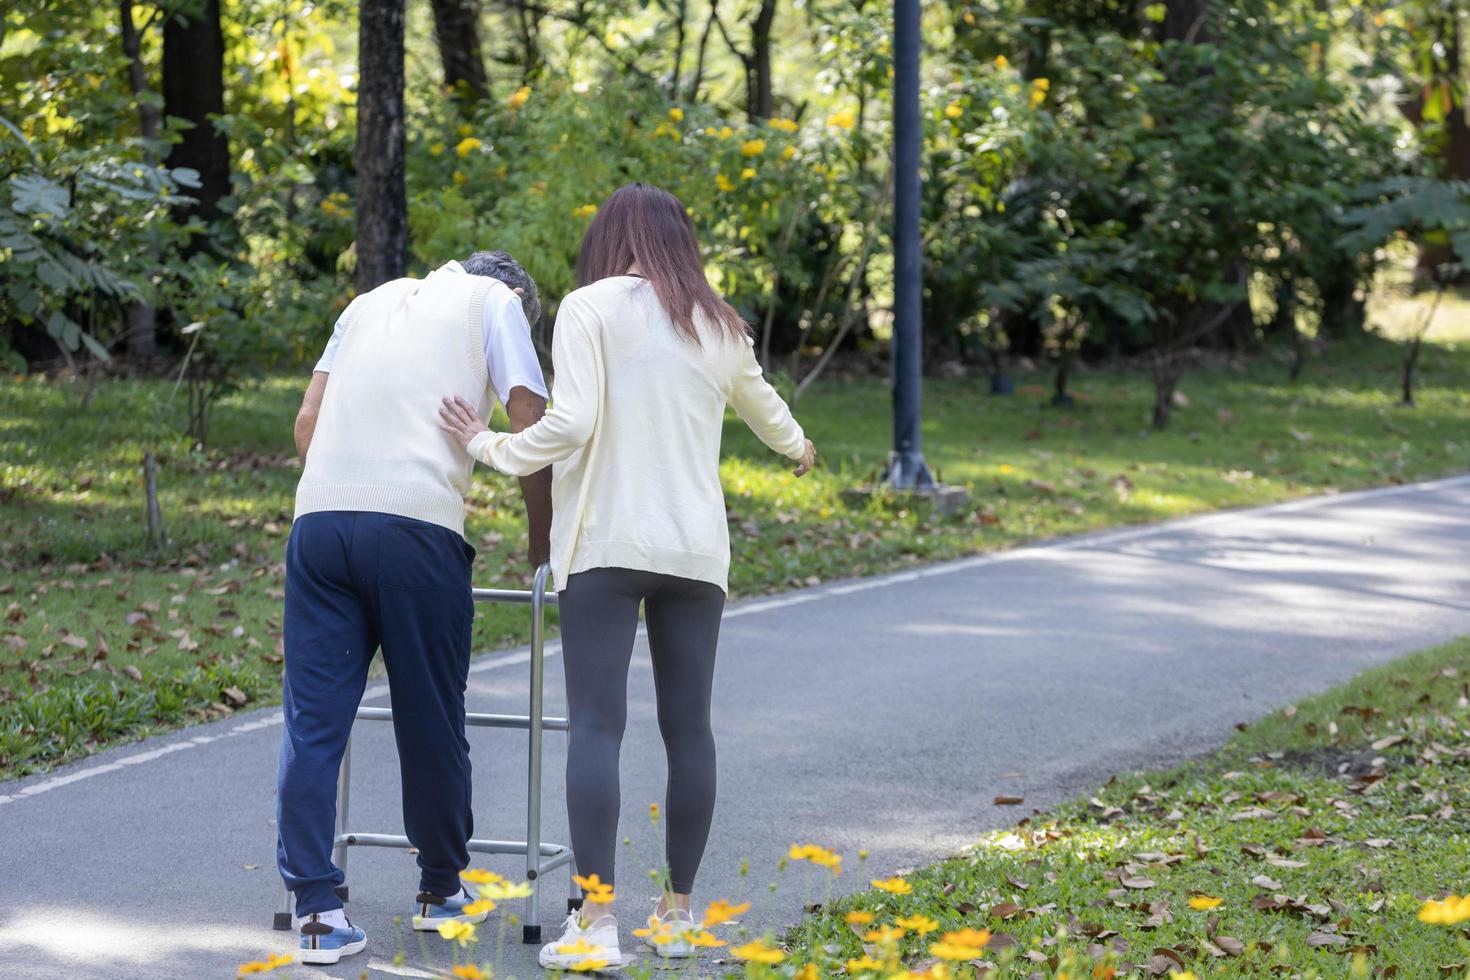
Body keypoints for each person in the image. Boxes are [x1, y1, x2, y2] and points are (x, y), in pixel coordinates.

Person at [437, 183, 816, 970]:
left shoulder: (589, 307)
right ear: (682, 241)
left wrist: (488, 447)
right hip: (693, 554)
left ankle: (597, 923)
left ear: (611, 237)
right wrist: (803, 450)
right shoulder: (716, 319)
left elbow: (570, 422)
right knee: (690, 731)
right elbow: (768, 412)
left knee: (598, 727)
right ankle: (677, 916)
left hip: (606, 546)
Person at [279, 251, 553, 966]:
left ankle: (316, 910)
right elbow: (531, 420)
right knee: (429, 714)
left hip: (320, 524)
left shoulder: (365, 303)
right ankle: (438, 890)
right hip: (415, 528)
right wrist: (542, 542)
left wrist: (340, 492)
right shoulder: (495, 304)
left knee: (313, 722)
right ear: (518, 298)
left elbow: (307, 422)